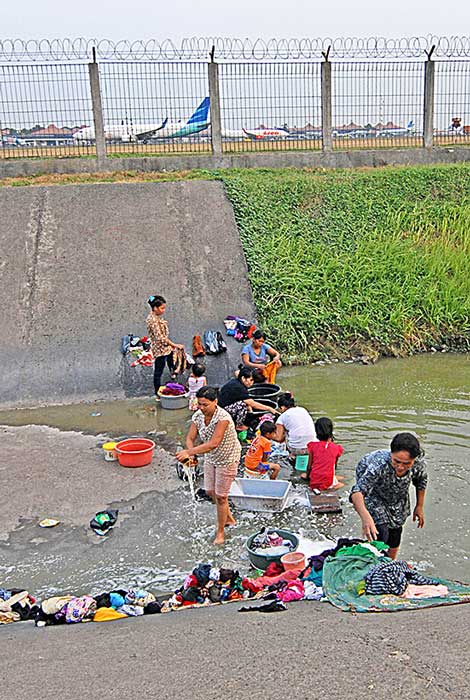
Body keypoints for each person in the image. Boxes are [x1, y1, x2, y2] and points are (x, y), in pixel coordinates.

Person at [176, 386, 241, 545]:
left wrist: (189, 453)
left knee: (221, 496)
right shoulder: (198, 416)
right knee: (210, 491)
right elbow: (190, 438)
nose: (202, 408)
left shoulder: (222, 418)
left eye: (205, 404)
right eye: (199, 404)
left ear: (215, 402)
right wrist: (191, 453)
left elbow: (214, 443)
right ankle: (230, 519)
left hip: (228, 458)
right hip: (211, 457)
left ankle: (220, 532)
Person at [350, 433, 428, 560]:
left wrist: (419, 506)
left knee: (396, 531)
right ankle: (374, 562)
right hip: (374, 491)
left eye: (406, 463)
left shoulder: (418, 464)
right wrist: (366, 517)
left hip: (397, 494)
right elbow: (357, 492)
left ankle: (390, 562)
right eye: (396, 461)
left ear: (414, 459)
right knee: (380, 531)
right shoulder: (379, 464)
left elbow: (421, 481)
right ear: (391, 454)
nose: (400, 467)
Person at [146, 295, 183, 399]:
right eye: (162, 308)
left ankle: (174, 379)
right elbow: (160, 338)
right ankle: (157, 393)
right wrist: (175, 345)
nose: (163, 310)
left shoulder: (156, 317)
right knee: (158, 371)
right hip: (160, 350)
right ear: (155, 308)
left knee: (172, 364)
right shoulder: (152, 320)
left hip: (167, 348)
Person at [273, 392, 317, 456]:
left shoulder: (282, 417)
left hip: (297, 449)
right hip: (312, 447)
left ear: (282, 407)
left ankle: (292, 455)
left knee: (286, 433)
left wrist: (269, 436)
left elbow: (279, 438)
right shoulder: (303, 410)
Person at [306, 417, 344, 490]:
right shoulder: (337, 448)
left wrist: (308, 476)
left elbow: (309, 466)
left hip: (314, 480)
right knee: (342, 482)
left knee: (303, 475)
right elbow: (334, 466)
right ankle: (331, 487)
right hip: (328, 480)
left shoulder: (312, 446)